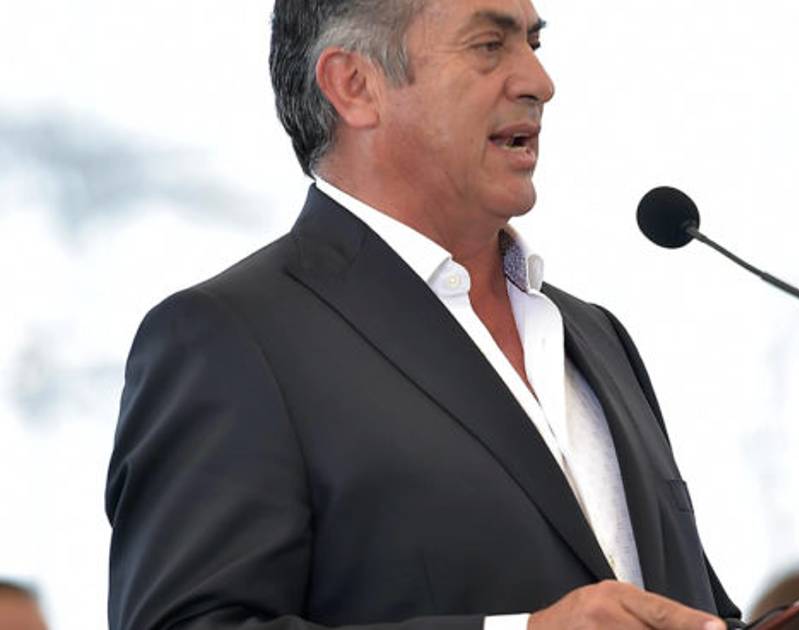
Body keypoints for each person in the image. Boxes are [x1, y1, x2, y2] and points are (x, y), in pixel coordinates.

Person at [104, 1, 740, 629]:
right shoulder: (230, 338)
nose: (539, 82)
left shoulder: (597, 337)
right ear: (355, 86)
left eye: (534, 44)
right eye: (489, 45)